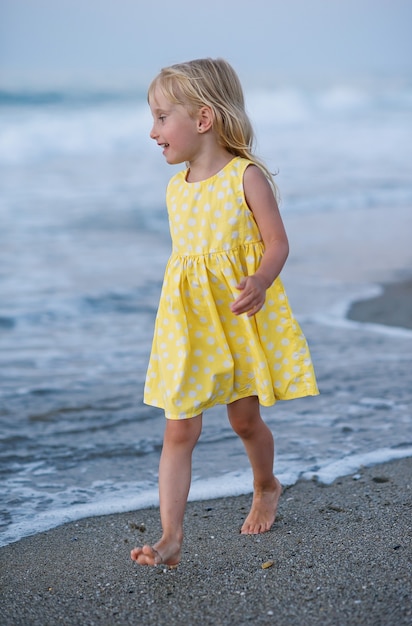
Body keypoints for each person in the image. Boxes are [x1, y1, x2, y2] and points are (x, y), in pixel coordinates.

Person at [131, 58, 318, 568]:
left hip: (237, 316)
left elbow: (277, 243)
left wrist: (259, 280)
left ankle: (266, 484)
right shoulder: (175, 188)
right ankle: (170, 538)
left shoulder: (246, 176)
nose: (153, 132)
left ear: (203, 119)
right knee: (179, 429)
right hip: (187, 325)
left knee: (244, 420)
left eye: (161, 117)